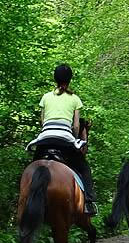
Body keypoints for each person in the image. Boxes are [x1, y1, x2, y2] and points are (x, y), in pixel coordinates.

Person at [26, 64, 97, 215]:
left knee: (32, 167)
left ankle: (23, 198)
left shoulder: (45, 97)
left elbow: (42, 121)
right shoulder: (75, 99)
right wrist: (74, 136)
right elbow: (77, 126)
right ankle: (89, 203)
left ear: (55, 78)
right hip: (64, 140)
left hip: (45, 139)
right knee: (84, 168)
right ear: (70, 79)